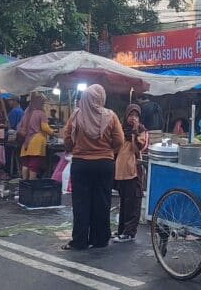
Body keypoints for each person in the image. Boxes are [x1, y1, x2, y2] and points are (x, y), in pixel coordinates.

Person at [61, 85, 124, 250]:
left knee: (81, 203)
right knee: (102, 202)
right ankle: (100, 239)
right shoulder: (111, 117)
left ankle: (80, 240)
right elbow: (119, 140)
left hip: (81, 164)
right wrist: (108, 149)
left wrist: (75, 147)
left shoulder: (76, 116)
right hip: (104, 164)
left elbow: (67, 138)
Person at [114, 104, 147, 243]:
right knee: (124, 201)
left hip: (134, 170)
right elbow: (115, 148)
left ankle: (129, 232)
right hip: (121, 170)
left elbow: (137, 148)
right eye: (131, 115)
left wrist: (134, 133)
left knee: (133, 201)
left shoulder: (141, 131)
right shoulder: (121, 130)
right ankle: (121, 229)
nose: (133, 118)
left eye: (136, 115)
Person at [18, 92, 53, 180]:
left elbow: (19, 127)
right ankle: (31, 185)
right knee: (33, 166)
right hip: (36, 142)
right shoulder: (41, 113)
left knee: (25, 165)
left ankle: (24, 184)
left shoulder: (26, 113)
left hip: (26, 142)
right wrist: (55, 133)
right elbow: (45, 128)